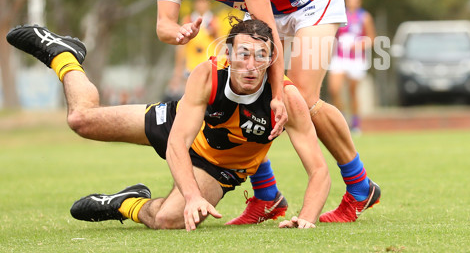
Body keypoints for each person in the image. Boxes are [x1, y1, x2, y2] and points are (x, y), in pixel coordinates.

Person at [151, 0, 380, 223]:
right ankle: (268, 196)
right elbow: (163, 26)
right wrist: (179, 33)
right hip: (268, 13)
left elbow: (266, 30)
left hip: (312, 0)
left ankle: (360, 187)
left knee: (298, 97)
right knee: (239, 88)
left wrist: (276, 94)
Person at [6, 20, 330, 230]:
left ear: (272, 60)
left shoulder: (286, 99)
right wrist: (191, 196)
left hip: (219, 167)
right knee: (80, 120)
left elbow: (318, 170)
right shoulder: (208, 74)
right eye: (243, 54)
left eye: (261, 56)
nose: (250, 65)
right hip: (178, 126)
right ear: (228, 54)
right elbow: (177, 143)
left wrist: (307, 218)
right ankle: (64, 55)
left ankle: (125, 203)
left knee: (166, 220)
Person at [327, 0, 376, 133]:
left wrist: (361, 44)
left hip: (356, 60)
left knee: (352, 91)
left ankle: (355, 123)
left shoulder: (365, 17)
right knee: (334, 89)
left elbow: (372, 38)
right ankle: (342, 119)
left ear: (359, 0)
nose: (352, 1)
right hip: (340, 57)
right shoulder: (340, 15)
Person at [166, 0, 220, 99]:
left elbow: (220, 44)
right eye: (199, 2)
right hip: (191, 66)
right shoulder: (188, 20)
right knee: (190, 96)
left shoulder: (214, 21)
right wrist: (178, 69)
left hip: (209, 65)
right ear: (195, 4)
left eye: (204, 2)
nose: (201, 5)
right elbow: (181, 46)